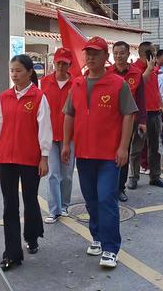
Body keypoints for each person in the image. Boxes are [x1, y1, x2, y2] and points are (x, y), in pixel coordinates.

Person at [61, 36, 137, 268]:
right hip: (84, 154)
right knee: (91, 201)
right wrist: (66, 144)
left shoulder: (117, 84)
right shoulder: (77, 84)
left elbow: (129, 114)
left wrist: (123, 147)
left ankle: (111, 248)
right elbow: (69, 115)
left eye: (96, 53)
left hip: (108, 156)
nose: (91, 57)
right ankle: (96, 236)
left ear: (106, 57)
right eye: (88, 53)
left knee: (106, 199)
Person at [0, 54, 52, 271]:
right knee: (10, 206)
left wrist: (44, 157)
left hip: (30, 158)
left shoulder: (38, 97)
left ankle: (32, 235)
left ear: (29, 72)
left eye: (18, 71)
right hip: (7, 157)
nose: (14, 75)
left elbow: (45, 129)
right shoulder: (4, 97)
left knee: (30, 199)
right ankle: (12, 253)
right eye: (12, 71)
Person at [128, 41, 163, 190]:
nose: (155, 55)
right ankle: (133, 177)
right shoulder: (134, 69)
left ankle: (155, 176)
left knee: (155, 147)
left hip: (155, 112)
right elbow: (139, 83)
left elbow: (155, 89)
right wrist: (149, 68)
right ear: (145, 54)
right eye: (152, 52)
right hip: (141, 114)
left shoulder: (153, 69)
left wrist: (162, 106)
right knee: (137, 147)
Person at [40, 47, 75, 223]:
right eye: (58, 62)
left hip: (70, 136)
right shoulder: (44, 82)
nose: (60, 66)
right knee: (53, 173)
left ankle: (64, 205)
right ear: (54, 62)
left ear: (70, 65)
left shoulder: (76, 84)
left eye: (64, 63)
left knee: (67, 174)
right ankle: (54, 210)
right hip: (49, 135)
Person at [109, 41, 146, 202]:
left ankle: (119, 188)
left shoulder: (136, 74)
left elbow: (141, 99)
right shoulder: (107, 72)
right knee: (109, 154)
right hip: (109, 121)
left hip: (129, 121)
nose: (118, 56)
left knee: (123, 153)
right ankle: (108, 187)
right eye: (115, 53)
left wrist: (142, 121)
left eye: (121, 53)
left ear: (128, 54)